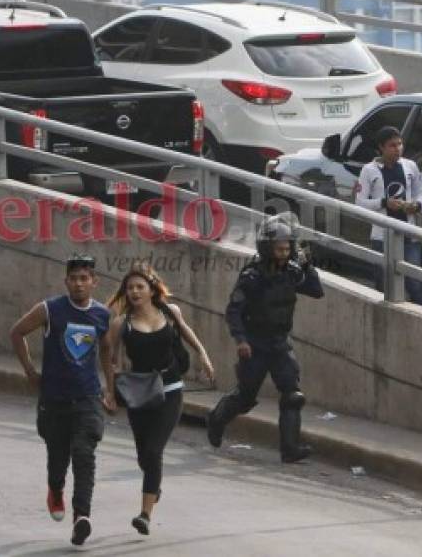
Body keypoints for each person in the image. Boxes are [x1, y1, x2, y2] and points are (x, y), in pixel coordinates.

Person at [9, 254, 114, 547]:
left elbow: (106, 352)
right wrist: (30, 371)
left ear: (94, 282)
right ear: (66, 281)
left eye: (85, 279)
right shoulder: (50, 309)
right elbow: (17, 332)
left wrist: (110, 390)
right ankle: (55, 490)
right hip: (54, 398)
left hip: (88, 397)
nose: (79, 284)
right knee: (58, 458)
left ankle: (82, 515)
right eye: (74, 279)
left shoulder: (102, 315)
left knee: (84, 452)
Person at [103, 262, 214, 536]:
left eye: (140, 287)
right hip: (139, 393)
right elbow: (108, 357)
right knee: (144, 456)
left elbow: (187, 332)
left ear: (152, 290)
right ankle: (155, 484)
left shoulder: (170, 311)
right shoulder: (121, 324)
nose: (134, 292)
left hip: (171, 389)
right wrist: (110, 390)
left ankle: (144, 515)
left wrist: (203, 355)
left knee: (154, 451)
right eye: (130, 288)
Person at [207, 213, 324, 463]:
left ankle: (289, 448)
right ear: (267, 248)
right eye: (279, 249)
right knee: (245, 397)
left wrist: (306, 266)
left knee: (292, 395)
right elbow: (234, 310)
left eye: (287, 248)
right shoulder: (253, 276)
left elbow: (316, 291)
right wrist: (241, 340)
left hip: (280, 343)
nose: (283, 253)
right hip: (255, 344)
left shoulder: (292, 271)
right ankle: (216, 419)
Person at [354, 125, 422, 305]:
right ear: (381, 148)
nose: (398, 149)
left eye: (400, 144)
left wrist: (416, 205)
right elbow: (359, 203)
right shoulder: (369, 170)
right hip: (382, 236)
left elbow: (421, 194)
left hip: (408, 234)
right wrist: (384, 203)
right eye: (392, 146)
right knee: (383, 283)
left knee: (414, 283)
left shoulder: (410, 166)